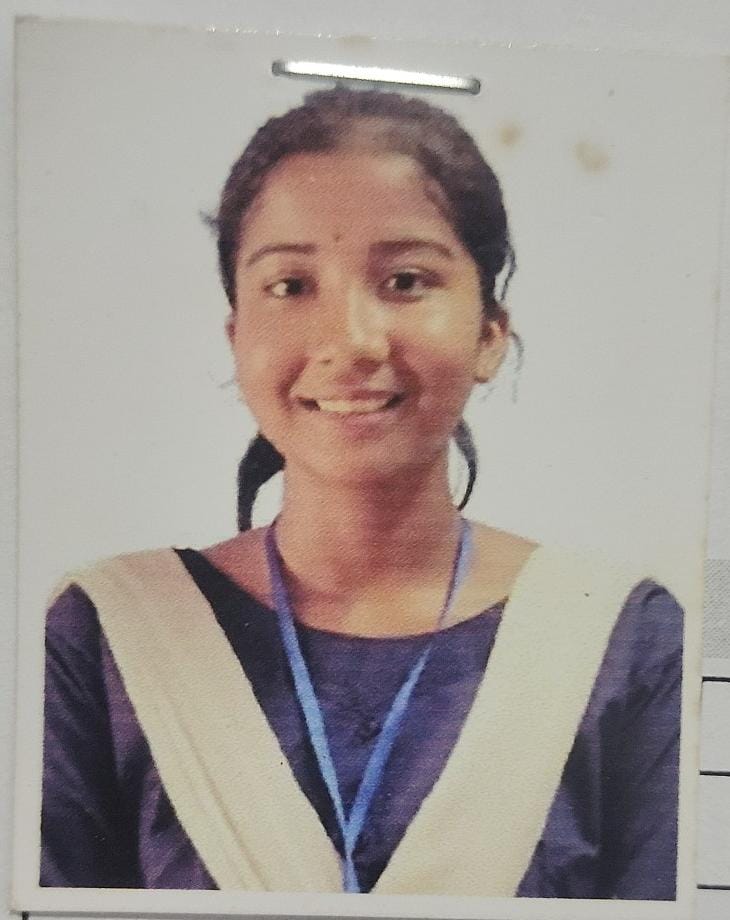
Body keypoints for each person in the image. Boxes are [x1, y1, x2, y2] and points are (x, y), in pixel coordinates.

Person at [41, 87, 683, 899]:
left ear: (489, 335)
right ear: (237, 337)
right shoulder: (111, 633)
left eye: (406, 280)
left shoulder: (619, 637)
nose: (349, 341)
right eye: (290, 285)